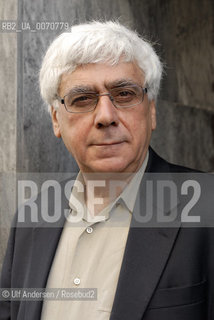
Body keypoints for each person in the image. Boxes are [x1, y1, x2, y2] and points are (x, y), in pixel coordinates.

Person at [0, 20, 214, 320]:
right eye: (82, 99)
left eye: (124, 94)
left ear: (151, 110)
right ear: (56, 120)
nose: (105, 116)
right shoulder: (30, 220)